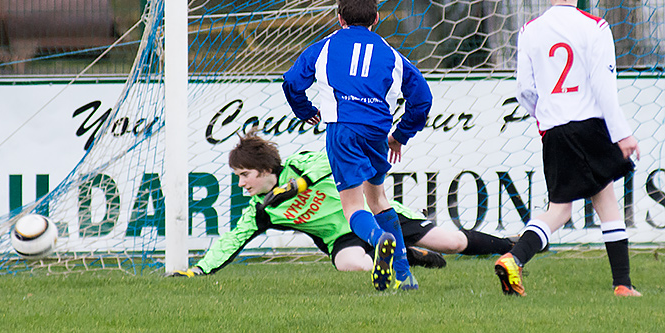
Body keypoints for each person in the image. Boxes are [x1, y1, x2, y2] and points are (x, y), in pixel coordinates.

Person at [169, 132, 516, 277]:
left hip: (372, 215)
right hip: (343, 238)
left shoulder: (300, 164)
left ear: (264, 170)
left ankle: (516, 250)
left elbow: (331, 161)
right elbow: (232, 240)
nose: (242, 183)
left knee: (453, 243)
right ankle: (407, 256)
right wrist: (199, 270)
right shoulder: (262, 210)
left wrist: (296, 186)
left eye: (245, 175)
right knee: (354, 265)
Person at [495, 0, 642, 297]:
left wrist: (543, 117)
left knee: (568, 206)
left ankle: (620, 282)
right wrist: (622, 133)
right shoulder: (596, 27)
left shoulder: (530, 30)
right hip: (590, 125)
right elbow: (604, 86)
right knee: (596, 203)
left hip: (556, 129)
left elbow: (524, 90)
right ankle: (620, 283)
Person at [282, 0, 433, 291]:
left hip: (343, 129)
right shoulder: (392, 56)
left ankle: (379, 240)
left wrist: (304, 110)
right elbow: (422, 100)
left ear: (339, 18)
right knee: (378, 199)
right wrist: (400, 136)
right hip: (377, 131)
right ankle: (405, 277)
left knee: (352, 207)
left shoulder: (323, 47)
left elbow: (291, 82)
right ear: (376, 18)